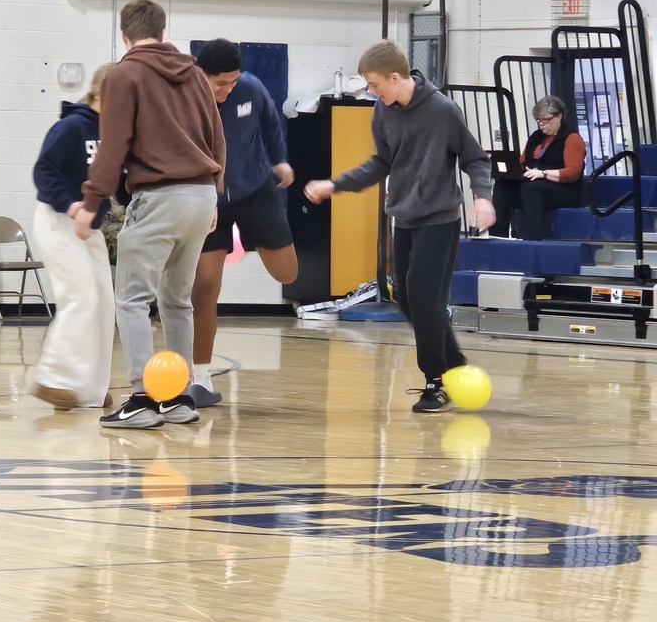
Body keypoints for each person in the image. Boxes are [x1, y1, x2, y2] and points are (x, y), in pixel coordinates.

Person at [304, 40, 495, 414]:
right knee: (406, 299)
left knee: (425, 299)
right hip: (404, 219)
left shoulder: (442, 110)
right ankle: (454, 364)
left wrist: (483, 197)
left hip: (439, 219)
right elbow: (380, 163)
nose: (371, 92)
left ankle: (436, 381)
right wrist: (335, 185)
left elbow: (475, 158)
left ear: (395, 77)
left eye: (374, 84)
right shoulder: (383, 112)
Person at [74, 0, 225, 430]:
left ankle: (143, 396)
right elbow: (217, 136)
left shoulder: (126, 73)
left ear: (125, 36)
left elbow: (114, 144)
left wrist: (91, 202)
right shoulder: (195, 74)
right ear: (162, 32)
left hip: (160, 196)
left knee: (132, 299)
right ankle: (176, 397)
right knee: (177, 301)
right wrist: (214, 193)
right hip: (201, 196)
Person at [190, 39, 298, 408]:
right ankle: (200, 378)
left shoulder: (251, 87)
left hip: (255, 192)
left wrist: (279, 160)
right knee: (204, 288)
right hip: (209, 201)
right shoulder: (185, 99)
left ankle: (252, 236)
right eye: (221, 83)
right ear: (201, 75)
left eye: (233, 82)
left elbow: (270, 124)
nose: (228, 89)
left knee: (287, 274)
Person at [31, 63, 116, 410]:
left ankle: (89, 390)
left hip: (89, 229)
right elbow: (44, 172)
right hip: (58, 220)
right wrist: (71, 206)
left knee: (103, 305)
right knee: (81, 297)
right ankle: (53, 377)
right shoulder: (70, 127)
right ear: (100, 94)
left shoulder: (115, 134)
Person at [492, 95, 586, 240]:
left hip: (564, 189)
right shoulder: (536, 137)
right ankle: (498, 236)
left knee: (531, 188)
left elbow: (573, 172)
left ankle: (534, 240)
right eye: (539, 120)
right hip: (534, 183)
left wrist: (543, 173)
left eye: (546, 120)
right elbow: (522, 162)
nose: (542, 124)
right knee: (503, 186)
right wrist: (513, 172)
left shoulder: (572, 138)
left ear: (559, 116)